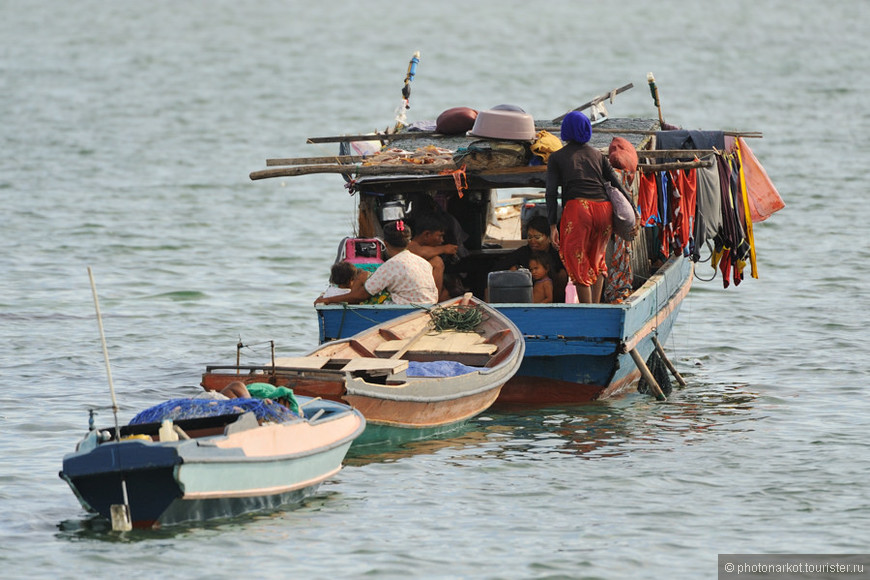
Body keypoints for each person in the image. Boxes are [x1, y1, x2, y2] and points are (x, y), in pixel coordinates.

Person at [546, 111, 637, 304]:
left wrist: (553, 224)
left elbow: (551, 193)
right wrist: (634, 211)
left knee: (577, 260)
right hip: (603, 210)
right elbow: (617, 185)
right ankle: (597, 307)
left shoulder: (557, 158)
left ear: (565, 131)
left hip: (579, 209)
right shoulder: (598, 155)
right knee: (597, 258)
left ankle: (588, 311)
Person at [314, 220, 438, 305]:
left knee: (365, 281)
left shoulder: (390, 265)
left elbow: (361, 295)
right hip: (428, 305)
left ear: (386, 243)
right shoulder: (424, 262)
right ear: (409, 243)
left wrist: (328, 299)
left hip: (406, 309)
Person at [493, 215, 568, 303]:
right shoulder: (522, 253)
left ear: (549, 238)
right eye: (529, 237)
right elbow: (495, 272)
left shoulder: (557, 255)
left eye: (537, 237)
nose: (532, 241)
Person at [408, 212, 459, 301]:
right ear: (427, 234)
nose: (442, 240)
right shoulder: (410, 246)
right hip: (417, 298)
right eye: (440, 236)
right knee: (437, 261)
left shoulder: (430, 251)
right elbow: (419, 252)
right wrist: (443, 249)